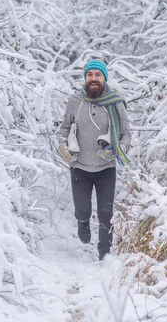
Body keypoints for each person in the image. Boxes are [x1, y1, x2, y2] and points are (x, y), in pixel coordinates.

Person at [58, 58, 131, 261]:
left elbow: (126, 134)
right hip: (79, 167)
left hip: (106, 168)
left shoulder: (115, 103)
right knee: (83, 211)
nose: (93, 78)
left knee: (105, 214)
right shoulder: (75, 101)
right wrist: (63, 147)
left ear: (104, 78)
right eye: (90, 75)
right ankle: (82, 222)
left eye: (98, 75)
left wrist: (118, 149)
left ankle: (104, 254)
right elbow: (63, 129)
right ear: (85, 78)